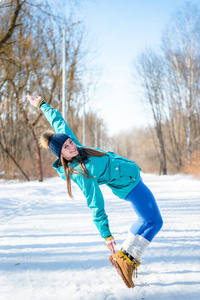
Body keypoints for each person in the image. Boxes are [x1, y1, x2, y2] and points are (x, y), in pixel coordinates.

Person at [26, 94, 163, 288]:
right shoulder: (81, 172)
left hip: (130, 180)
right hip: (130, 186)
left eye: (70, 143)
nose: (72, 146)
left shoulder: (77, 148)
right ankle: (129, 258)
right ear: (61, 155)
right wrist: (106, 234)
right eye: (66, 147)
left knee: (145, 220)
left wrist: (41, 104)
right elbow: (95, 203)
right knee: (155, 221)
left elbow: (58, 121)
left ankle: (124, 255)